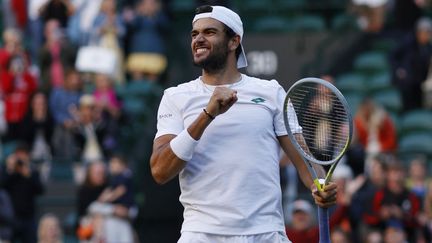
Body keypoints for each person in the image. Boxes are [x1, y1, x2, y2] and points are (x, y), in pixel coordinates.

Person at [150, 5, 338, 242]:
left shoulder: (271, 92)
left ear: (233, 41)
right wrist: (207, 115)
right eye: (194, 33)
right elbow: (160, 170)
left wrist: (321, 186)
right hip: (201, 235)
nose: (198, 39)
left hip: (266, 233)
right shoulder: (175, 97)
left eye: (209, 32)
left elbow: (306, 164)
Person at [0, 143, 44, 243]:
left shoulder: (33, 172)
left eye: (24, 155)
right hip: (11, 217)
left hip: (29, 217)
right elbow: (2, 185)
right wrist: (10, 169)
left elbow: (40, 190)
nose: (21, 158)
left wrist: (28, 175)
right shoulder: (8, 171)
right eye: (19, 155)